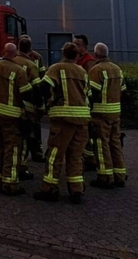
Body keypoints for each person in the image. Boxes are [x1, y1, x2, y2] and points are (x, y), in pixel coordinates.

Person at [34, 42, 91, 204]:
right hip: (82, 119)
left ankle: (49, 189)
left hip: (63, 119)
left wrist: (49, 102)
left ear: (63, 53)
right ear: (77, 56)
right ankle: (77, 191)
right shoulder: (82, 71)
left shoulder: (56, 68)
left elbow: (44, 88)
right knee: (76, 156)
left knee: (55, 155)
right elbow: (89, 94)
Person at [0, 42, 33, 195]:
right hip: (10, 116)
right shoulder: (18, 71)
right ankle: (9, 184)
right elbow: (27, 95)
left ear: (4, 51)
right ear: (15, 53)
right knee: (12, 149)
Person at [88, 43, 127, 189]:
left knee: (101, 144)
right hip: (115, 112)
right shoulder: (117, 69)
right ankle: (120, 176)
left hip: (100, 113)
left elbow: (92, 93)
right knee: (115, 143)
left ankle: (105, 177)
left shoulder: (96, 70)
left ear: (96, 54)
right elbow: (122, 90)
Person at [13, 36, 45, 174]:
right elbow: (38, 85)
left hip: (16, 101)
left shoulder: (12, 59)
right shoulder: (32, 63)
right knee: (26, 133)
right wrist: (41, 105)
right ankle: (22, 164)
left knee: (29, 130)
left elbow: (42, 75)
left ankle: (36, 152)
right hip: (28, 103)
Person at [73, 34, 98, 170]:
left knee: (87, 132)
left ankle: (90, 159)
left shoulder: (88, 61)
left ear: (85, 47)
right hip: (78, 102)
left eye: (78, 44)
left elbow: (90, 83)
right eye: (74, 44)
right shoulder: (77, 59)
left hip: (84, 102)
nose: (75, 46)